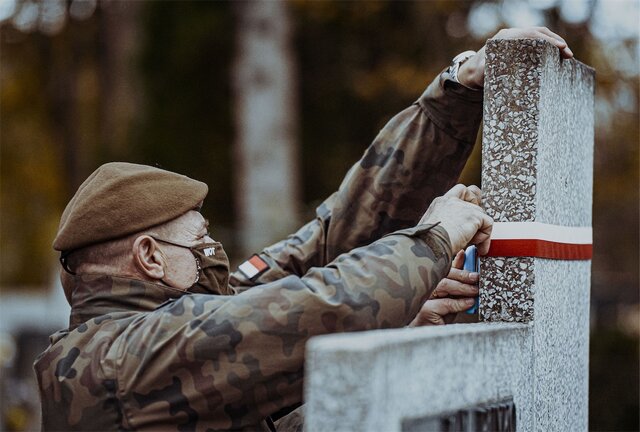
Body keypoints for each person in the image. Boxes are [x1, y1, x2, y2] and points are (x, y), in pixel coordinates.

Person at [34, 27, 572, 431]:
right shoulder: (114, 360)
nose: (214, 252)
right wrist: (433, 238)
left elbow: (332, 241)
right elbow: (327, 303)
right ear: (149, 256)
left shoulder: (164, 331)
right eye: (199, 240)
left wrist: (456, 89)